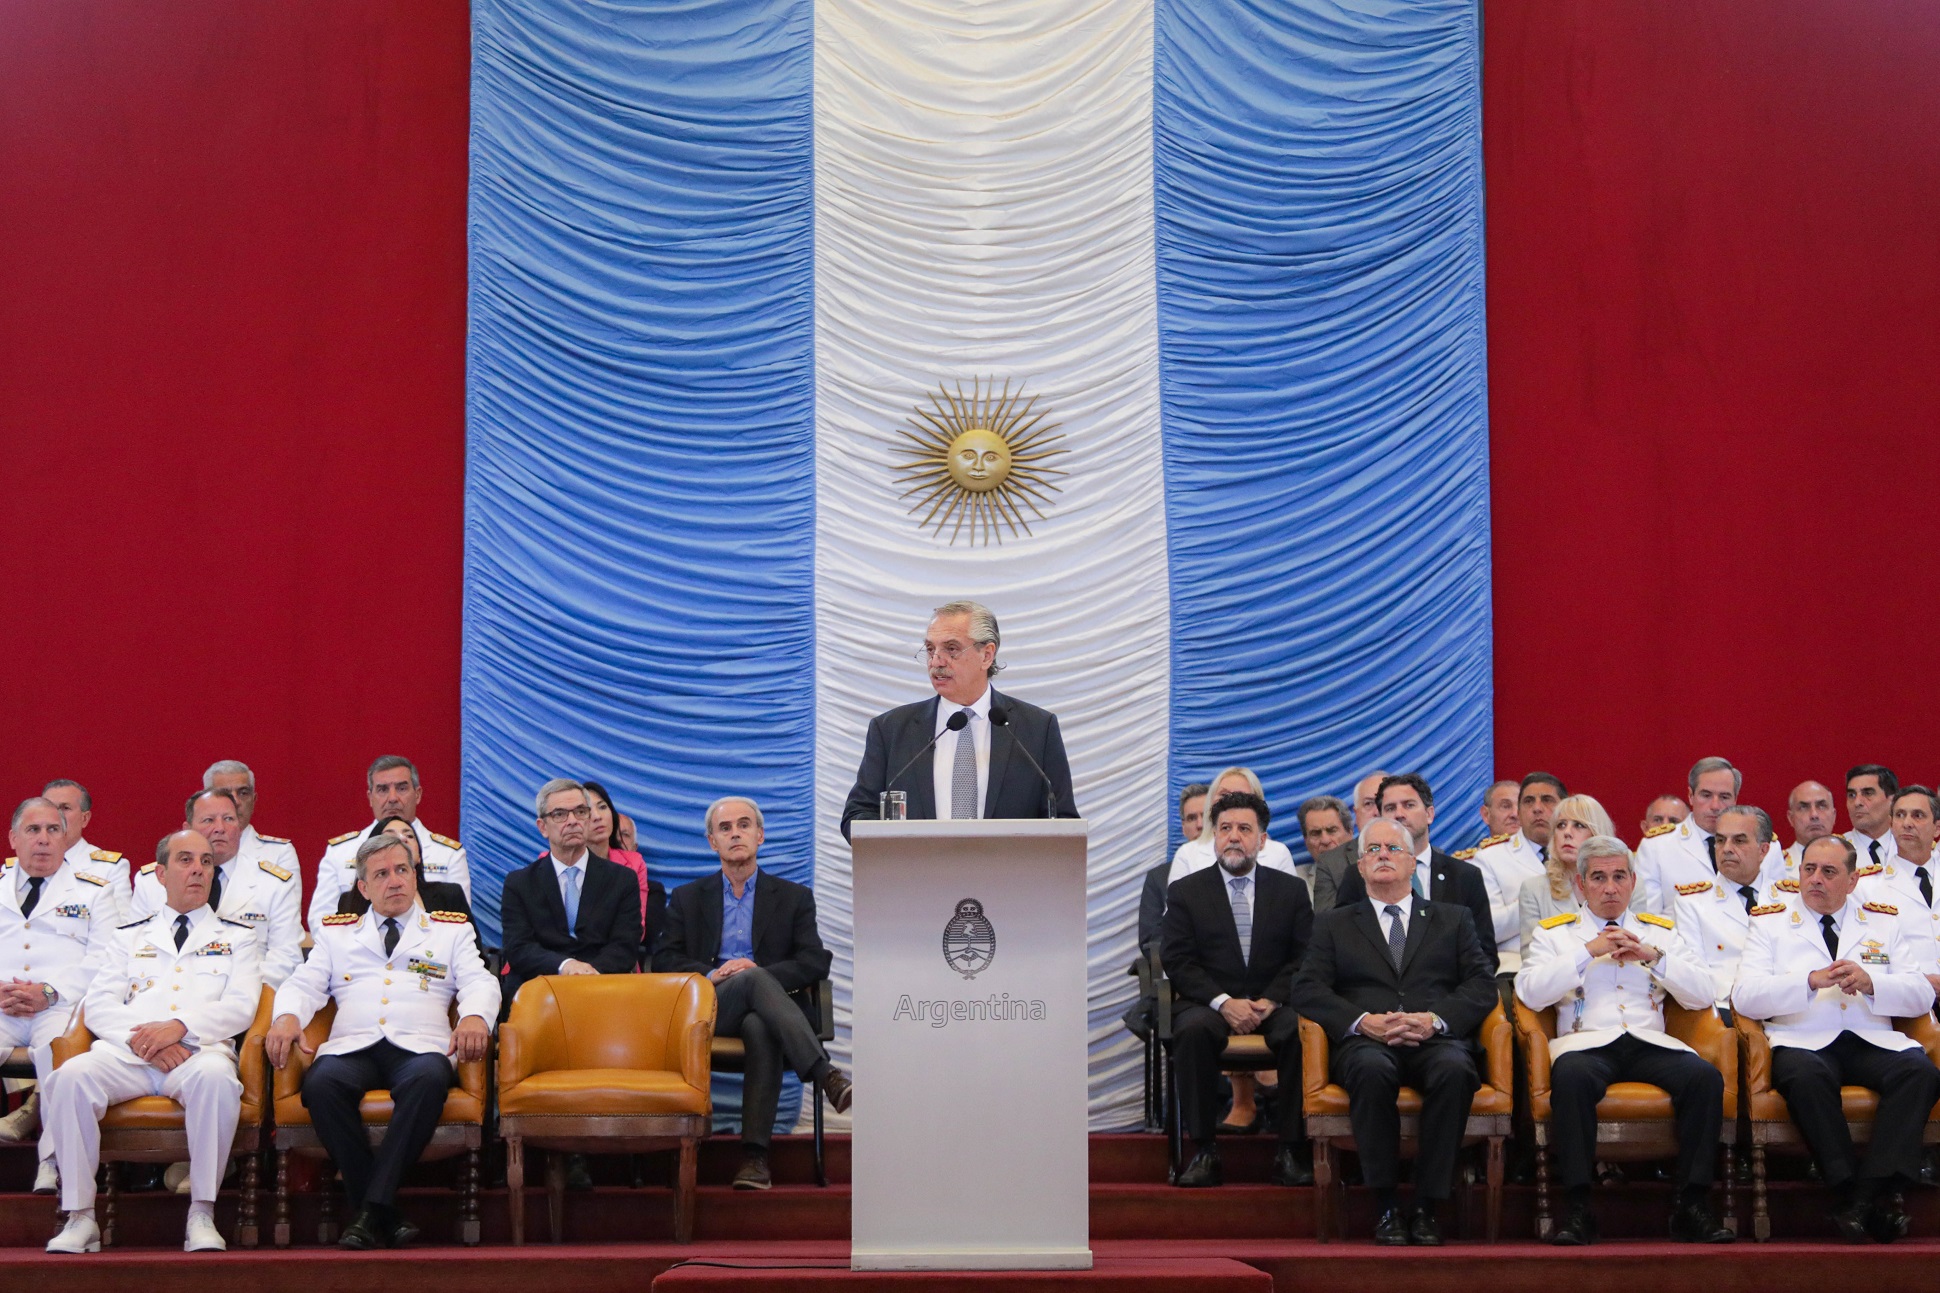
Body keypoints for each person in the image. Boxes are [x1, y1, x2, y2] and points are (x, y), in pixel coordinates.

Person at [267, 832, 497, 1249]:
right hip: (352, 1046)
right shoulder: (337, 935)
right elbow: (304, 984)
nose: (394, 881)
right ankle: (381, 1210)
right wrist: (286, 1016)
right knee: (320, 1084)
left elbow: (481, 981)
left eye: (402, 870)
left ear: (415, 876)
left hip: (420, 1047)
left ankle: (368, 1211)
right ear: (363, 887)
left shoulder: (450, 932)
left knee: (428, 1081)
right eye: (382, 874)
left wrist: (476, 1016)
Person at [43, 829, 263, 1254]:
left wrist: (179, 1027)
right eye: (185, 860)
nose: (197, 869)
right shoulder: (129, 935)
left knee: (218, 1081)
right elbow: (100, 1005)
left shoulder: (238, 937)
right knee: (71, 1077)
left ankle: (202, 1212)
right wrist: (151, 1040)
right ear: (161, 874)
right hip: (128, 1054)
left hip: (198, 1053)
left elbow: (242, 1007)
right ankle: (80, 1217)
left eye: (205, 861)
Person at [1517, 834, 1733, 1245]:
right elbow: (1530, 992)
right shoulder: (1556, 935)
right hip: (1586, 1045)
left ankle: (1692, 1204)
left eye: (1619, 876)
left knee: (1704, 1079)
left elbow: (1703, 993)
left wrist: (1654, 957)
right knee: (1573, 1079)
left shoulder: (1661, 933)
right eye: (1599, 878)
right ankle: (1579, 1207)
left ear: (1633, 881)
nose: (1610, 887)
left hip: (1651, 1043)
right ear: (1581, 885)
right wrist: (1588, 951)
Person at [1294, 817, 1496, 1245]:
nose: (1382, 855)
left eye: (1393, 849)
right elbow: (1307, 988)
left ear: (1411, 864)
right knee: (1370, 1071)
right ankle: (1385, 1204)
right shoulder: (1335, 923)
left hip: (1434, 1037)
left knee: (1456, 1071)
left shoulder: (1453, 919)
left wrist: (1433, 1020)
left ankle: (1426, 1205)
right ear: (1361, 868)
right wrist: (1361, 1022)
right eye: (1372, 850)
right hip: (1367, 1041)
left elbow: (1481, 986)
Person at [1733, 835, 1940, 1243]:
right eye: (1809, 869)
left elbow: (1920, 994)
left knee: (1919, 1072)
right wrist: (1808, 981)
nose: (1816, 880)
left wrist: (1872, 982)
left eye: (1829, 872)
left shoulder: (1882, 920)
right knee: (1807, 1078)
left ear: (1852, 879)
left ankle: (1858, 1199)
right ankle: (1856, 1192)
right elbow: (1745, 996)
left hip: (1870, 1037)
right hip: (1802, 1038)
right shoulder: (1770, 921)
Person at [654, 796, 851, 1190]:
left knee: (760, 1021)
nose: (735, 833)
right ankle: (823, 1073)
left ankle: (755, 1160)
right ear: (713, 842)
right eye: (724, 828)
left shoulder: (793, 897)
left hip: (767, 1014)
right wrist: (714, 973)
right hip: (712, 1008)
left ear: (759, 835)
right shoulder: (688, 898)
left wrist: (759, 973)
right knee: (751, 978)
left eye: (744, 825)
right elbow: (664, 959)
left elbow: (815, 961)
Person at [1160, 791, 1313, 1188]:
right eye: (1224, 828)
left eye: (1244, 829)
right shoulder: (1186, 892)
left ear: (1262, 840)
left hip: (1272, 1003)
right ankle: (1204, 1150)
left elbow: (1306, 957)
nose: (1233, 837)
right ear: (1214, 837)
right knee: (1191, 1032)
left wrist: (1272, 999)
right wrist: (1224, 1002)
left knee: (1303, 1031)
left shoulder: (1290, 890)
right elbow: (1177, 960)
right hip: (1209, 1003)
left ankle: (1291, 1150)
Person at [841, 600, 1078, 837]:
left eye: (951, 649)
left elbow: (1063, 821)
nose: (936, 661)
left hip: (1007, 873)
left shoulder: (1037, 729)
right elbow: (858, 815)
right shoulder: (890, 730)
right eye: (931, 649)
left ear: (986, 655)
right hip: (917, 872)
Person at [0, 799, 119, 1192]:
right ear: (14, 838)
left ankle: (51, 1162)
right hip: (1, 1005)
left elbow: (107, 957)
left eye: (54, 830)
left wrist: (48, 992)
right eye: (34, 831)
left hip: (59, 1007)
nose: (44, 840)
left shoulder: (94, 892)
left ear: (66, 838)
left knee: (59, 1050)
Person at [131, 789, 302, 987]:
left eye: (229, 819)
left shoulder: (274, 884)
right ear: (188, 828)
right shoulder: (150, 881)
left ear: (240, 827)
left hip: (247, 999)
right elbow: (136, 948)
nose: (220, 828)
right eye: (208, 820)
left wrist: (233, 991)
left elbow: (286, 959)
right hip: (163, 992)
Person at [499, 779, 644, 1007]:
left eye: (580, 812)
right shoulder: (520, 883)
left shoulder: (621, 879)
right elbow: (519, 948)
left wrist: (588, 975)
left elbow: (625, 945)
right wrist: (566, 966)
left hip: (603, 985)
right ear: (543, 827)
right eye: (560, 814)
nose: (573, 821)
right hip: (540, 988)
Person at [1333, 774, 1498, 973]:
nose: (1399, 814)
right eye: (1390, 808)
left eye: (1409, 805)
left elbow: (1485, 953)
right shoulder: (1358, 875)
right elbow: (1344, 945)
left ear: (1429, 814)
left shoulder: (1464, 876)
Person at [309, 756, 470, 932]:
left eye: (401, 788)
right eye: (383, 789)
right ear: (370, 797)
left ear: (417, 794)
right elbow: (321, 921)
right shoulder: (339, 852)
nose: (392, 798)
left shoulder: (448, 854)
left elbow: (459, 922)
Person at [1636, 757, 1781, 914]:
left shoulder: (1767, 846)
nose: (1715, 806)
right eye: (1706, 795)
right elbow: (1649, 918)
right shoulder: (1657, 846)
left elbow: (1779, 907)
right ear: (1690, 796)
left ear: (1736, 799)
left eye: (1724, 797)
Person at [1672, 806, 1782, 1004]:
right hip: (1728, 1006)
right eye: (1720, 840)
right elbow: (1695, 972)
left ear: (1763, 850)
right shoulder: (1691, 903)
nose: (1727, 849)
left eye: (1739, 841)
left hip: (1787, 1005)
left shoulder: (1790, 899)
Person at [1471, 772, 1568, 976]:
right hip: (1518, 965)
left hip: (1579, 957)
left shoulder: (1584, 854)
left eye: (1547, 800)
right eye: (1528, 801)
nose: (1537, 808)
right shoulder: (1489, 858)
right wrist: (1540, 893)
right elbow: (1489, 929)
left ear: (1564, 808)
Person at [338, 818, 479, 951]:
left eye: (410, 836)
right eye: (390, 837)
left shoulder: (449, 895)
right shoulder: (349, 902)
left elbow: (476, 958)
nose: (402, 839)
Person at [1518, 795, 1629, 956]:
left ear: (1598, 833)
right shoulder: (1534, 889)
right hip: (1564, 979)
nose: (1567, 833)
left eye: (1578, 825)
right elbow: (1532, 959)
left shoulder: (1631, 885)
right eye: (1561, 825)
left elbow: (1637, 943)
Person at [1856, 786, 1940, 976]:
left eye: (1918, 815)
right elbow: (1869, 952)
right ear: (1891, 824)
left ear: (1937, 828)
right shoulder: (1866, 887)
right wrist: (1919, 982)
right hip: (1906, 999)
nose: (1907, 823)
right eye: (1900, 815)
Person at [1166, 767, 1299, 886]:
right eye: (1224, 795)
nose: (1231, 801)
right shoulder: (1187, 854)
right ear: (1211, 800)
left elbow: (1292, 907)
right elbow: (1176, 911)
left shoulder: (1279, 853)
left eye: (1241, 795)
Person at [582, 779, 665, 949]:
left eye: (603, 807)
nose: (597, 817)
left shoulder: (633, 863)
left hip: (618, 958)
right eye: (587, 811)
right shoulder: (552, 861)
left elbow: (636, 930)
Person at [40, 779, 131, 922]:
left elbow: (121, 929)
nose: (55, 816)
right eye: (49, 807)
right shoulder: (21, 865)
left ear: (84, 818)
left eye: (65, 808)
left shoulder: (109, 869)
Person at [200, 760, 300, 879]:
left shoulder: (279, 854)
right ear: (205, 800)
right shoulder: (185, 852)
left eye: (243, 793)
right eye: (224, 794)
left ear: (253, 800)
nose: (236, 801)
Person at [1311, 769, 1387, 914]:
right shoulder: (1330, 862)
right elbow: (1325, 921)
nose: (1377, 811)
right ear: (1356, 813)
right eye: (1368, 804)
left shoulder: (1422, 854)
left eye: (1383, 803)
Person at [1773, 781, 1839, 885]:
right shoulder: (1775, 867)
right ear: (1791, 818)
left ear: (1834, 815)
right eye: (1804, 807)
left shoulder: (1854, 860)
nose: (1814, 815)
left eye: (1821, 806)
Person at [1845, 764, 1902, 871]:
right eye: (1852, 795)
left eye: (1868, 793)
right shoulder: (1831, 851)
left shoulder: (1913, 847)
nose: (1857, 802)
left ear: (1892, 801)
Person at [1473, 780, 1520, 851]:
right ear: (1486, 815)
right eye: (1506, 806)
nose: (1515, 814)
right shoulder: (1477, 861)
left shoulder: (1541, 858)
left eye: (1520, 806)